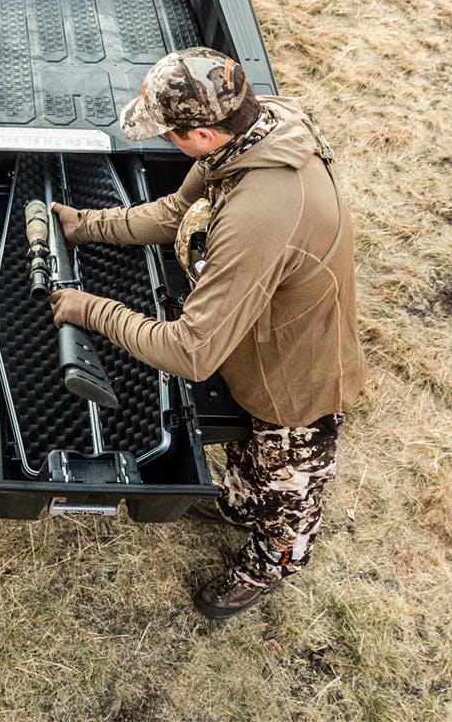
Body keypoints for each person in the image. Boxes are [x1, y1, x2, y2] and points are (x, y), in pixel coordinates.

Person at [47, 48, 364, 619]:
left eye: (172, 134)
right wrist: (85, 226)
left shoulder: (258, 216)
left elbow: (190, 351)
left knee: (287, 490)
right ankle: (238, 504)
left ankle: (270, 563)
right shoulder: (257, 124)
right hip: (256, 340)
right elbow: (176, 211)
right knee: (249, 460)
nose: (166, 143)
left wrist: (90, 310)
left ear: (206, 133)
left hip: (297, 380)